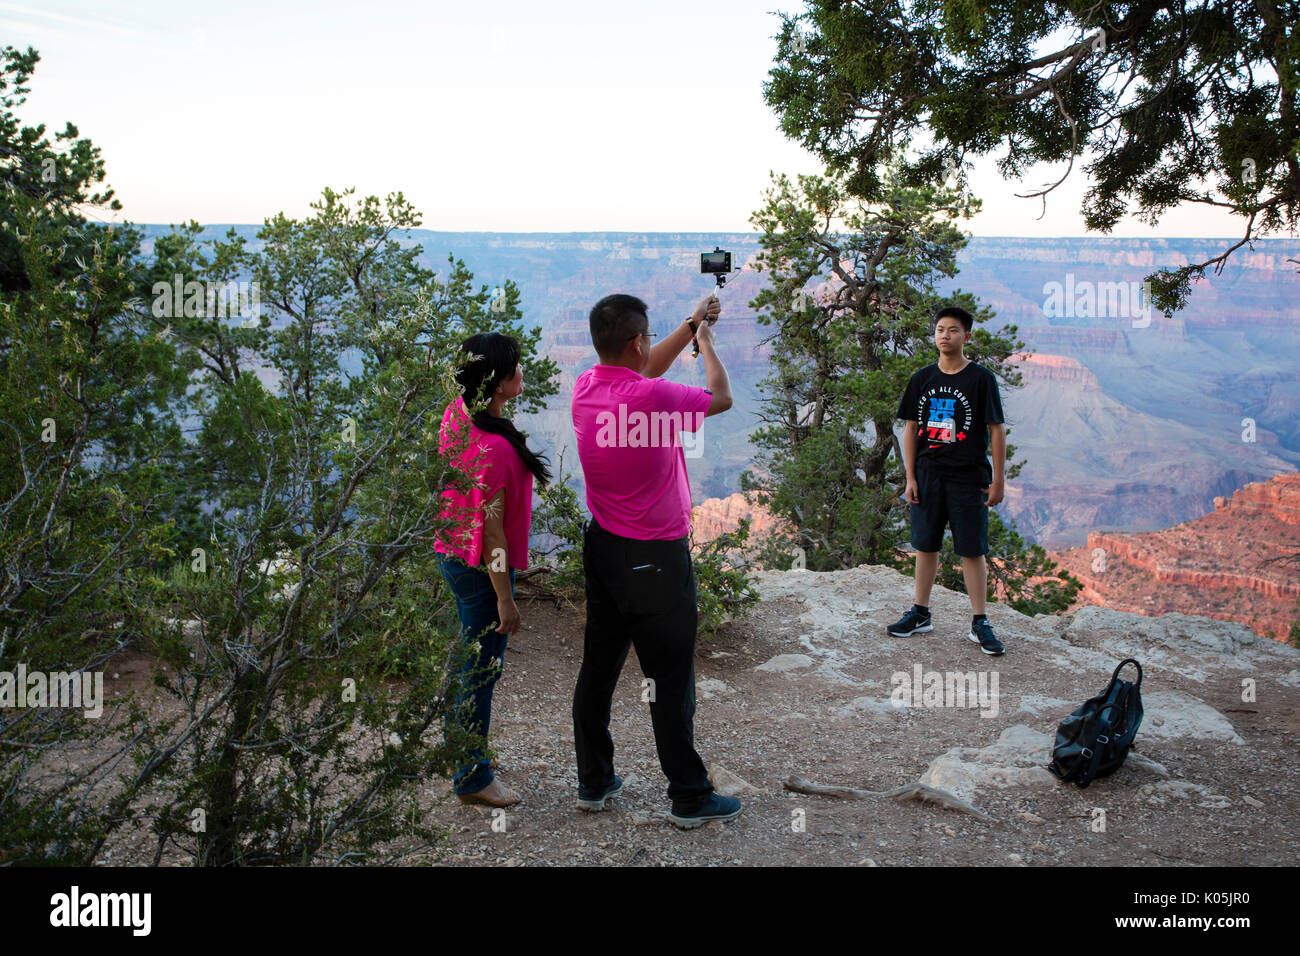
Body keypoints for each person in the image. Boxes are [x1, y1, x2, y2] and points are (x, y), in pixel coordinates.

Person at [570, 292, 740, 829]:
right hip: (656, 562)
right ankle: (689, 796)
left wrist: (689, 324)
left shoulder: (584, 387)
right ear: (637, 342)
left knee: (598, 669)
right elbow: (720, 398)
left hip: (603, 552)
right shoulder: (650, 398)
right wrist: (707, 343)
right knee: (670, 680)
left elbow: (642, 368)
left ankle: (594, 781)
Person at [435, 332, 551, 807]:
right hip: (482, 570)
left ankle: (462, 756)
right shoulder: (496, 449)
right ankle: (472, 778)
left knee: (470, 665)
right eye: (515, 368)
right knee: (482, 672)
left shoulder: (456, 414)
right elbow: (495, 536)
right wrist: (505, 597)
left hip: (452, 555)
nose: (522, 374)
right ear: (498, 383)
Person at [889, 305, 1007, 655]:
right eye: (940, 329)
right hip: (928, 475)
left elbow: (997, 430)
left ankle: (979, 620)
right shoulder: (922, 378)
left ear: (966, 336)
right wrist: (910, 476)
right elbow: (911, 429)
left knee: (972, 548)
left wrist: (998, 480)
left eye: (953, 330)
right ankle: (921, 612)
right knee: (925, 545)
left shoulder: (981, 379)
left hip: (968, 476)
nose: (945, 335)